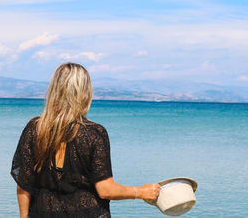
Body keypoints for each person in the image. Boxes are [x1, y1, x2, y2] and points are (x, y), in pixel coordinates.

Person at [11, 62, 161, 218]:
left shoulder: (34, 129)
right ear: (84, 92)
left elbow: (24, 185)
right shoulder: (94, 133)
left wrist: (23, 216)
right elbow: (106, 190)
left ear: (54, 90)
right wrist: (141, 192)